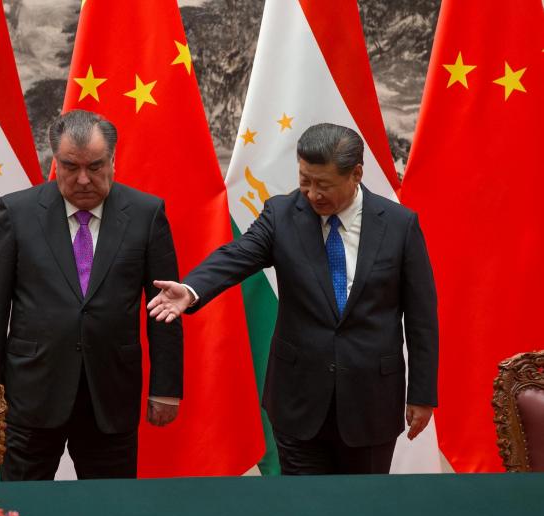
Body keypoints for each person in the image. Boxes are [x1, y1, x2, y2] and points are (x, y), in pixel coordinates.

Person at [148, 123, 437, 475]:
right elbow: (237, 255)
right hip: (298, 400)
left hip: (370, 402)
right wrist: (192, 289)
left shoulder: (399, 224)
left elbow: (422, 318)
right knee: (303, 508)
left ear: (356, 174)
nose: (312, 193)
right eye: (305, 180)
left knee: (363, 509)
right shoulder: (282, 215)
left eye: (323, 184)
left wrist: (422, 394)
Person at [0, 109, 183, 480]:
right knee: (22, 506)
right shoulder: (17, 212)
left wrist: (165, 388)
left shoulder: (147, 214)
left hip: (110, 392)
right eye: (70, 167)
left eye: (96, 166)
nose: (83, 179)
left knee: (111, 509)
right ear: (55, 161)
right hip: (31, 392)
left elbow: (164, 305)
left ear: (113, 160)